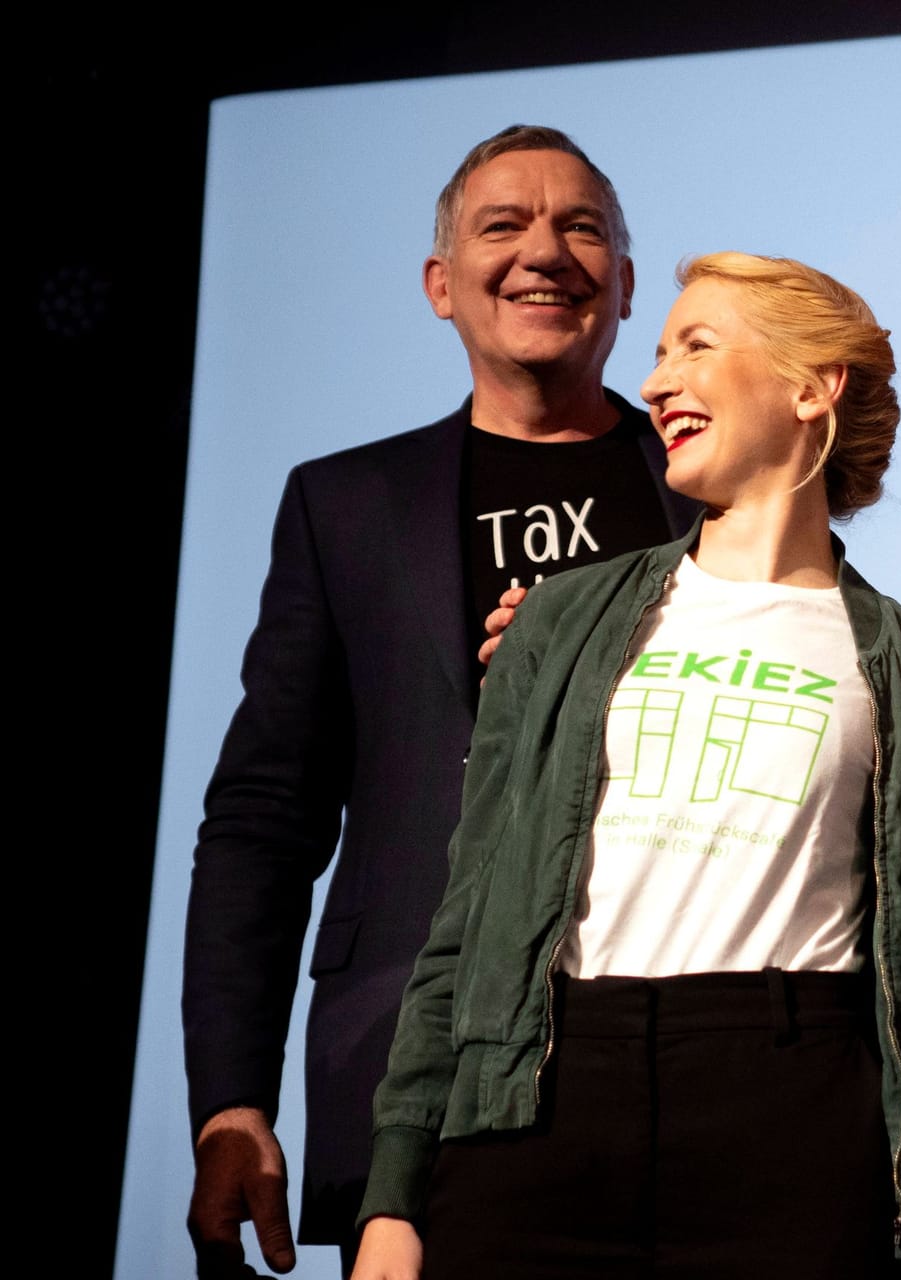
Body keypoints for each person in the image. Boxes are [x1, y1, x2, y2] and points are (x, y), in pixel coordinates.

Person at [352, 253, 901, 1280]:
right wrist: (395, 1197)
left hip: (796, 1110)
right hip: (543, 1100)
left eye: (696, 347)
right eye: (660, 352)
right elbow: (469, 921)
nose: (659, 380)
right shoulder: (564, 620)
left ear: (812, 387)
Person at [183, 125, 699, 1277]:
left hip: (680, 1065)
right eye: (502, 225)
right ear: (439, 284)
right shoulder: (346, 505)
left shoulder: (711, 490)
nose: (544, 252)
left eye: (581, 228)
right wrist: (230, 1097)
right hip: (419, 1076)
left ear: (621, 279)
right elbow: (264, 818)